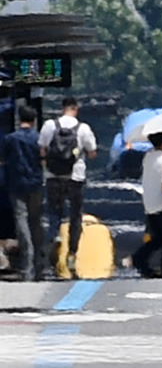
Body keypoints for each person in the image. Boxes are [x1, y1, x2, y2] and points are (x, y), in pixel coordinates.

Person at [38, 96, 97, 274]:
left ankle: (55, 234)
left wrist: (46, 167)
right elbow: (93, 153)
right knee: (75, 216)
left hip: (53, 176)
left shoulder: (49, 125)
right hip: (75, 177)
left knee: (54, 211)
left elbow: (42, 150)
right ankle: (72, 254)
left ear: (62, 108)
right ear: (75, 108)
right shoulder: (83, 128)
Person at [0, 106, 44, 281]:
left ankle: (27, 263)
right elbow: (43, 158)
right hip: (35, 184)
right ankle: (39, 262)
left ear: (19, 119)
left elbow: (3, 160)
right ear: (33, 121)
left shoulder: (11, 139)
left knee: (21, 220)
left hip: (16, 184)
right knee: (36, 221)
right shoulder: (39, 138)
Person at [130, 131, 162, 279]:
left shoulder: (148, 156)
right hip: (161, 205)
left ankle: (140, 260)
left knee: (159, 239)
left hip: (150, 204)